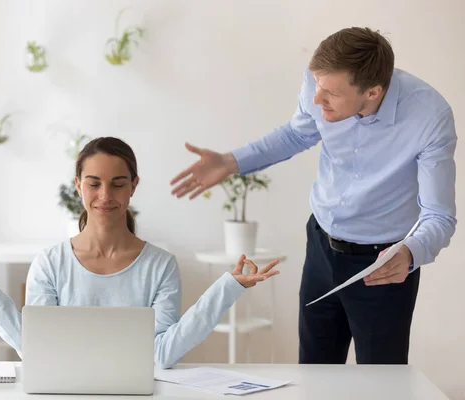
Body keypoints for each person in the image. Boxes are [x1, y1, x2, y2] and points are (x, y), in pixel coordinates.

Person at [170, 27, 456, 365]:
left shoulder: (429, 116)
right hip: (321, 246)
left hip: (383, 264)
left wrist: (411, 253)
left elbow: (439, 215)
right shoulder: (320, 83)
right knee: (315, 371)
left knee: (383, 384)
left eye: (330, 93)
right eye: (315, 86)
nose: (317, 99)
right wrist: (231, 161)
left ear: (373, 91)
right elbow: (296, 134)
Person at [0, 137, 281, 368]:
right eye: (94, 183)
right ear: (78, 185)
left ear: (134, 187)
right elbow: (33, 347)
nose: (105, 196)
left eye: (118, 183)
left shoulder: (160, 265)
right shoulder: (50, 263)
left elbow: (162, 355)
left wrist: (228, 288)